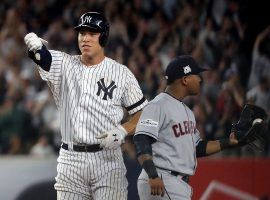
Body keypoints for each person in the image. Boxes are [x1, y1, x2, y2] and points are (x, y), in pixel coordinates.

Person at [24, 11, 148, 200]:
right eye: (82, 33)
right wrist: (34, 46)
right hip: (71, 160)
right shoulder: (64, 63)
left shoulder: (122, 73)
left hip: (108, 160)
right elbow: (44, 57)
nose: (86, 38)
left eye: (92, 33)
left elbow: (143, 114)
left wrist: (123, 130)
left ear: (104, 37)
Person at [133, 55, 239, 200]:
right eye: (196, 75)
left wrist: (229, 142)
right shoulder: (158, 105)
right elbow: (141, 139)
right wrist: (152, 175)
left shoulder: (188, 111)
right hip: (162, 178)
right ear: (185, 79)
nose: (200, 79)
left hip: (173, 181)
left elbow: (198, 147)